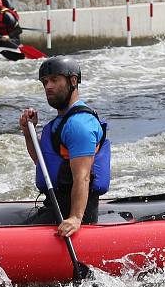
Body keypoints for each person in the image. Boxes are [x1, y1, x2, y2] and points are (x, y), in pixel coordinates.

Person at [19, 56, 111, 236]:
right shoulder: (59, 122)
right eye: (45, 82)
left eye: (54, 80)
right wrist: (28, 132)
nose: (48, 87)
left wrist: (75, 218)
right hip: (54, 207)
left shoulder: (79, 125)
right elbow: (42, 161)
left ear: (73, 81)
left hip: (71, 214)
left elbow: (83, 177)